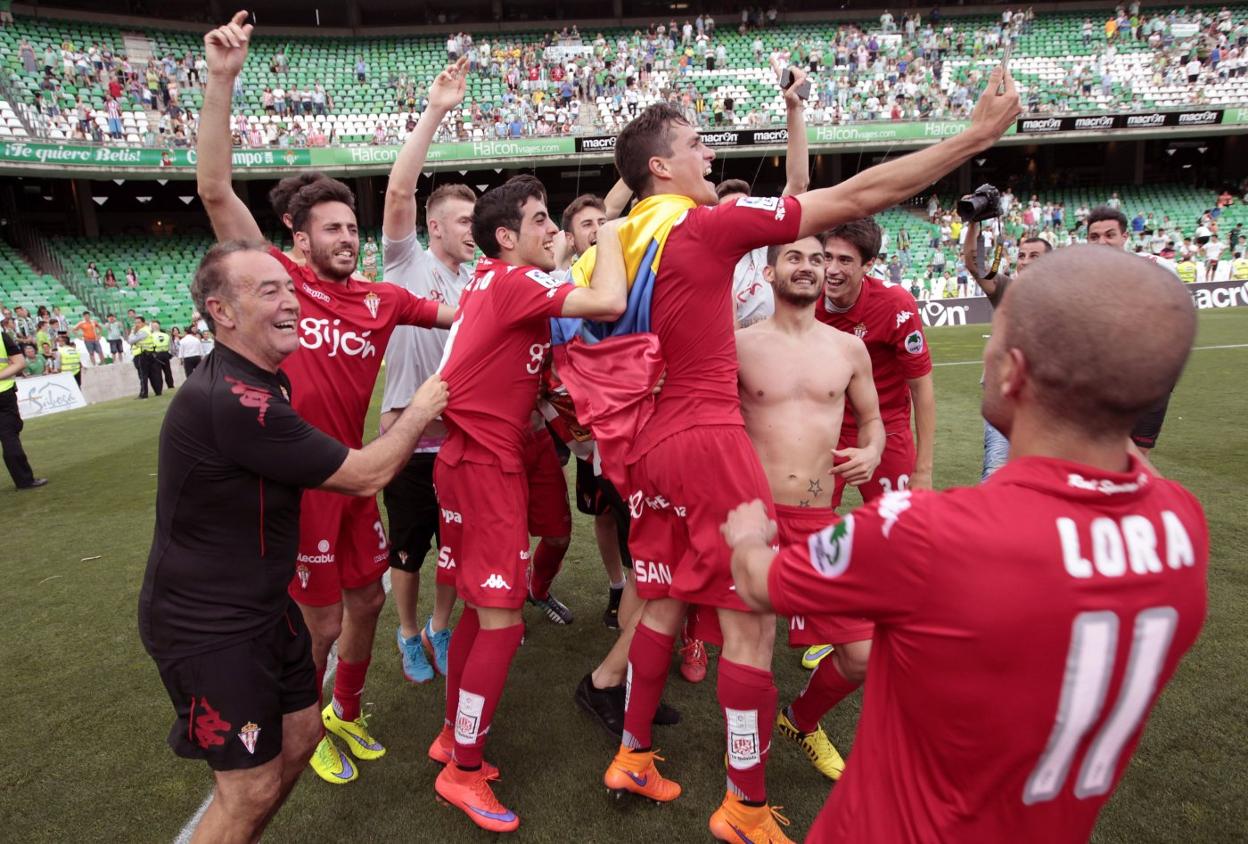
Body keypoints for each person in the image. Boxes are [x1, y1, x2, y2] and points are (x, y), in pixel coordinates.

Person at [587, 64, 1017, 843]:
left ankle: (633, 753)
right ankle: (744, 808)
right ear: (661, 166)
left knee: (665, 601)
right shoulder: (701, 225)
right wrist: (975, 137)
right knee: (751, 630)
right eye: (697, 144)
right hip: (707, 435)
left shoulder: (619, 237)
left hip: (651, 444)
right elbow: (854, 197)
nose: (710, 154)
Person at [725, 246, 1208, 842]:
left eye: (994, 340)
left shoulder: (922, 531)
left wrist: (746, 538)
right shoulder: (1182, 525)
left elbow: (764, 582)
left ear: (1012, 373)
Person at [195, 11, 456, 787]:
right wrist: (222, 80)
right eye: (332, 229)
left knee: (367, 604)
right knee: (320, 622)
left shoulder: (381, 299)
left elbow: (464, 315)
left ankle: (344, 711)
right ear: (298, 239)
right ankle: (301, 727)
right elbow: (214, 190)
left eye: (352, 227)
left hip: (353, 475)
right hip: (299, 482)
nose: (348, 237)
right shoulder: (281, 283)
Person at [138, 240, 449, 843]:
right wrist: (419, 407)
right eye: (268, 291)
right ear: (221, 312)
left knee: (303, 736)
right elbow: (365, 474)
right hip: (209, 624)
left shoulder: (265, 381)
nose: (291, 301)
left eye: (289, 287)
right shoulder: (236, 399)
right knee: (249, 789)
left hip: (263, 607)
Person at [429, 175, 626, 832]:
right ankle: (462, 770)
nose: (555, 231)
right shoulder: (516, 282)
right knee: (504, 624)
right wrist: (615, 232)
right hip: (485, 468)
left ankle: (451, 737)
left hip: (467, 461)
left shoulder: (494, 279)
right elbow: (608, 299)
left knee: (477, 611)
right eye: (542, 220)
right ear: (506, 236)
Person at [736, 234, 884, 782]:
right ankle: (746, 771)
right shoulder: (739, 345)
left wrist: (872, 450)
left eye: (816, 259)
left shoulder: (848, 350)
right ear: (769, 273)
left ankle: (799, 721)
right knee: (751, 655)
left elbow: (873, 420)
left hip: (817, 520)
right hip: (755, 521)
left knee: (862, 653)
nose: (808, 267)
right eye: (794, 258)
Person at [794, 217, 932, 672]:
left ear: (868, 265)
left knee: (899, 533)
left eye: (844, 260)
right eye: (827, 257)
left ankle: (897, 620)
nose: (831, 269)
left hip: (886, 427)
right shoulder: (807, 297)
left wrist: (924, 470)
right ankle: (829, 621)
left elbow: (922, 388)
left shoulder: (895, 305)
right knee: (811, 523)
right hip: (828, 428)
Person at [378, 57, 476, 685]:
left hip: (460, 438)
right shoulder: (405, 262)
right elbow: (398, 192)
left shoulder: (475, 281)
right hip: (408, 437)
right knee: (409, 550)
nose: (473, 229)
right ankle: (409, 632)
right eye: (464, 220)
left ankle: (441, 625)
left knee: (455, 546)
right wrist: (437, 109)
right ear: (434, 226)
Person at [716, 67, 811, 329]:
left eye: (743, 208)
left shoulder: (767, 246)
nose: (738, 217)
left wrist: (794, 110)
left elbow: (798, 183)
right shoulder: (711, 259)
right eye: (729, 211)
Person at [963, 226, 1053, 480]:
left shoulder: (1063, 299)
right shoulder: (1007, 290)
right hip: (1005, 400)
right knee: (996, 473)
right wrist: (974, 224)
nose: (1025, 261)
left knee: (1043, 476)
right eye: (1022, 255)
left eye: (1034, 256)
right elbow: (973, 265)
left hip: (1045, 404)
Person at [1086, 205, 1176, 456]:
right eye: (1094, 237)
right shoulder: (1077, 276)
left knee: (1138, 454)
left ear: (1124, 237)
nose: (1102, 242)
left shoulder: (1155, 267)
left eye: (1110, 235)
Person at [1, 325, 46, 489]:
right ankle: (24, 480)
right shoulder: (2, 337)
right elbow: (19, 363)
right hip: (3, 394)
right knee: (9, 437)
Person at [127, 316, 162, 398]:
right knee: (152, 374)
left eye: (138, 322)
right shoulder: (147, 330)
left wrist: (132, 332)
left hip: (142, 355)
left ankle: (144, 393)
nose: (137, 324)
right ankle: (157, 391)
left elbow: (131, 341)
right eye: (135, 323)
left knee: (143, 375)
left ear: (143, 322)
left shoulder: (143, 331)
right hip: (148, 353)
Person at [150, 319, 175, 390]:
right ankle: (170, 385)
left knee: (158, 373)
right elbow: (171, 346)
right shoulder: (166, 335)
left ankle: (159, 388)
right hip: (165, 354)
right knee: (168, 371)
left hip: (157, 355)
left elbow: (150, 346)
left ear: (152, 327)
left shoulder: (151, 336)